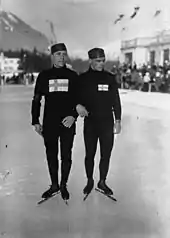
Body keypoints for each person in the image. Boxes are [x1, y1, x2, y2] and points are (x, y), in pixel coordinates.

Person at [31, 43, 78, 201]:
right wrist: (35, 120)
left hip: (68, 123)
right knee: (51, 155)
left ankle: (63, 184)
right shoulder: (44, 76)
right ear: (52, 56)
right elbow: (36, 99)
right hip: (50, 123)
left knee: (66, 156)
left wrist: (73, 116)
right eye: (58, 54)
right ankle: (54, 185)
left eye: (64, 54)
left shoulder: (72, 76)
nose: (61, 57)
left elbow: (80, 100)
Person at [76, 48, 122, 196]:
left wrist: (118, 120)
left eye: (103, 60)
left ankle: (102, 181)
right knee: (90, 154)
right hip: (91, 123)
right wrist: (77, 105)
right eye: (97, 61)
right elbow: (74, 97)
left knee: (106, 154)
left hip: (107, 122)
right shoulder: (82, 79)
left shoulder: (110, 78)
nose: (101, 64)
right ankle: (89, 180)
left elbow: (116, 100)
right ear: (90, 61)